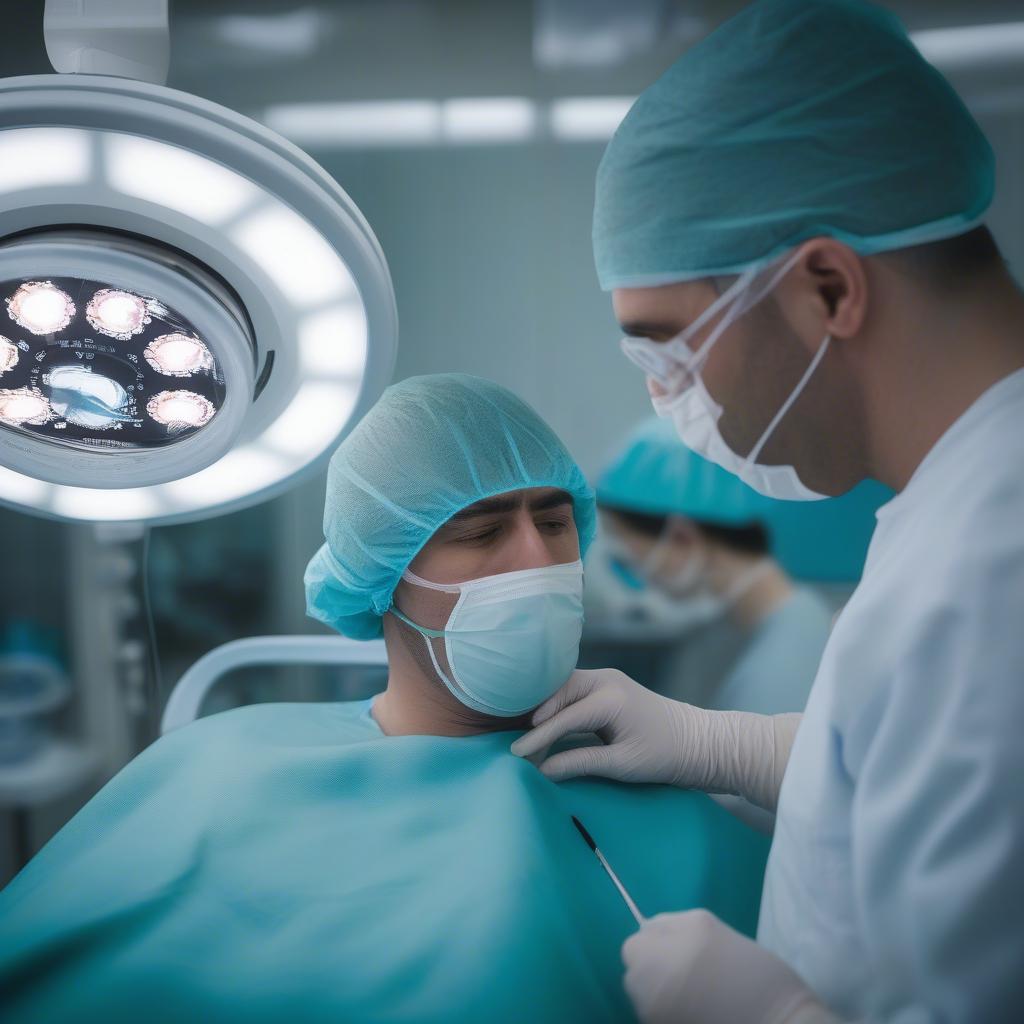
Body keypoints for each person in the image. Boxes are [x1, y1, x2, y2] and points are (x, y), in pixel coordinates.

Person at [512, 1, 1024, 1021]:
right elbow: (929, 781)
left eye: (671, 349)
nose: (664, 397)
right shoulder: (961, 501)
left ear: (827, 287)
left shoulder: (992, 571)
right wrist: (719, 745)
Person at [0, 374, 769, 1024]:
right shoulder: (216, 760)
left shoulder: (669, 796)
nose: (534, 561)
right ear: (382, 571)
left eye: (555, 521)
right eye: (481, 530)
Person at [597, 416, 832, 714]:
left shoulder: (784, 667)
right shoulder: (763, 628)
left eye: (630, 558)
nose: (636, 576)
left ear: (682, 537)